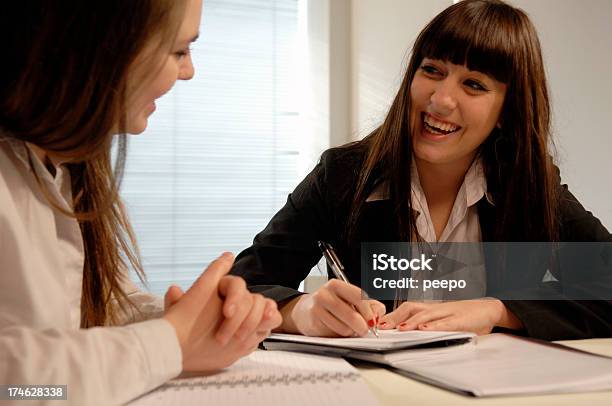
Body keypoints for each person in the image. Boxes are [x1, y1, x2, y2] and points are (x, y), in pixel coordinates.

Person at [231, 0, 612, 341]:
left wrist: (498, 310)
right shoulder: (343, 176)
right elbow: (242, 286)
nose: (441, 100)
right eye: (431, 69)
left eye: (474, 85)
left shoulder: (528, 184)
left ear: (506, 112)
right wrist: (299, 311)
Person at [0, 1, 281, 405]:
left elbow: (101, 306)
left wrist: (203, 319)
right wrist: (171, 342)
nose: (189, 71)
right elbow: (15, 388)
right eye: (179, 51)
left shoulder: (65, 170)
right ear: (100, 47)